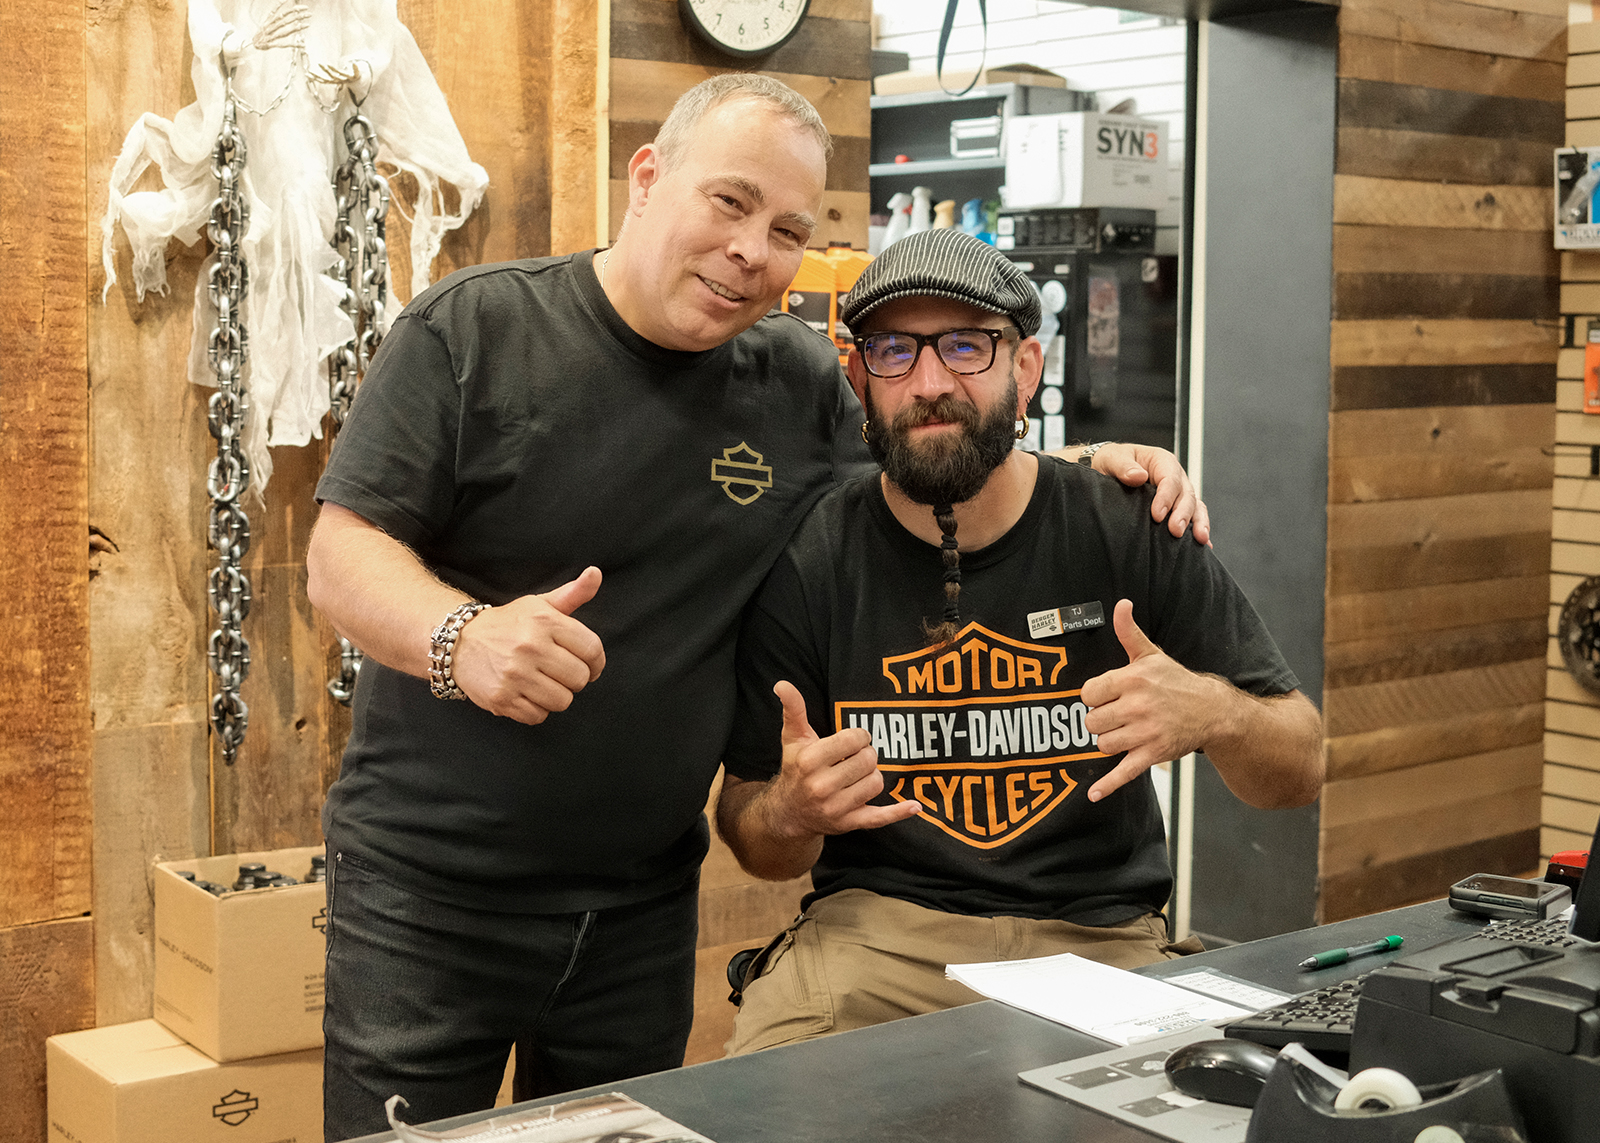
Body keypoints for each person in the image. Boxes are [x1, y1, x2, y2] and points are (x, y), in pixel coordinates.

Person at [304, 74, 1208, 1138]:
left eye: (786, 228)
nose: (751, 251)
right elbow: (339, 554)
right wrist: (462, 635)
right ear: (648, 179)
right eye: (728, 203)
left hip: (641, 902)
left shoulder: (791, 376)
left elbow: (921, 462)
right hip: (432, 897)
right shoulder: (475, 330)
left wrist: (1079, 469)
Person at [715, 227, 1324, 1055]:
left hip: (1103, 944)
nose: (930, 382)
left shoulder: (1129, 525)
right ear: (860, 380)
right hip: (877, 944)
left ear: (1025, 368)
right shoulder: (813, 555)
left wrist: (1215, 711)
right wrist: (791, 809)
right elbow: (751, 832)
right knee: (753, 1105)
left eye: (966, 345)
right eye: (895, 350)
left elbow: (1300, 765)